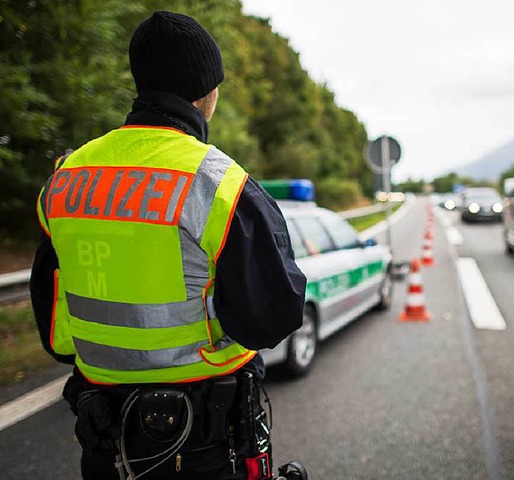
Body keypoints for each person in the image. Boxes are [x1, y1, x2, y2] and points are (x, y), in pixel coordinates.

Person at [30, 10, 307, 480]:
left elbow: (55, 323)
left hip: (104, 441)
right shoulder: (218, 184)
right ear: (207, 92)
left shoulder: (67, 175)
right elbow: (272, 318)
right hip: (202, 445)